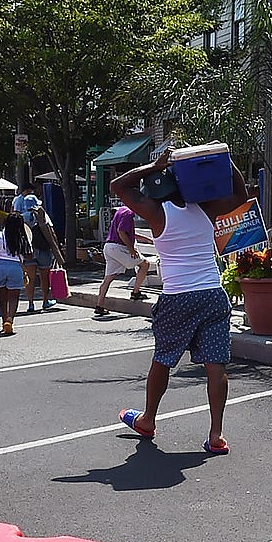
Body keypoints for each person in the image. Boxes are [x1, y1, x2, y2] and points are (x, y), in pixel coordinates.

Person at [111, 146, 239, 452]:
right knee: (215, 365)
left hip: (178, 296)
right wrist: (223, 159)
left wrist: (152, 165)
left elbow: (119, 186)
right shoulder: (207, 207)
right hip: (212, 294)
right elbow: (239, 192)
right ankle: (216, 435)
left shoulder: (157, 212)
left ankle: (148, 420)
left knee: (164, 359)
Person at [96, 200, 151, 315]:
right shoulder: (129, 213)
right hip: (118, 248)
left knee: (108, 278)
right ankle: (135, 292)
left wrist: (145, 239)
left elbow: (127, 233)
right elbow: (121, 232)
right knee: (145, 264)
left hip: (109, 247)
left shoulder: (121, 210)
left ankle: (99, 305)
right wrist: (131, 249)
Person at [0, 212, 30, 336]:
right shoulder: (23, 237)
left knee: (2, 295)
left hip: (0, 267)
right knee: (14, 296)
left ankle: (4, 319)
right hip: (16, 266)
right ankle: (10, 319)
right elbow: (29, 255)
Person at [26, 202, 59, 311]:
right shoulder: (42, 214)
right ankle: (45, 301)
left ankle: (30, 303)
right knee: (44, 278)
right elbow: (51, 232)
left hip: (28, 251)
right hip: (43, 250)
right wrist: (56, 247)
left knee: (31, 279)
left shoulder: (22, 217)